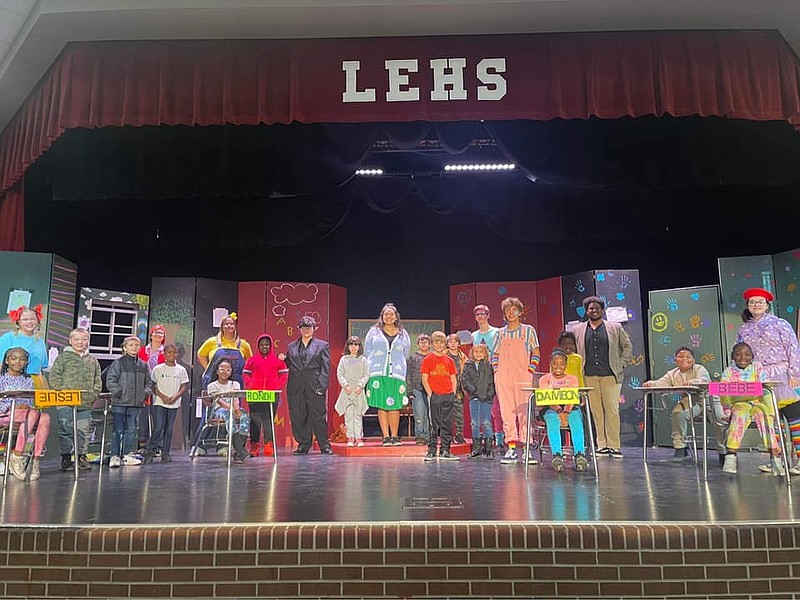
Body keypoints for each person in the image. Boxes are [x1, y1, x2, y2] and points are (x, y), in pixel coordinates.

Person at [736, 287, 800, 476]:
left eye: (760, 302)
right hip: (758, 377)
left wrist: (795, 374)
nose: (756, 305)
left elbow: (793, 348)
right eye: (752, 302)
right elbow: (740, 355)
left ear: (767, 305)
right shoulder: (743, 329)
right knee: (770, 421)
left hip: (782, 374)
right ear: (748, 305)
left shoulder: (780, 324)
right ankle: (777, 460)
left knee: (795, 418)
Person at [572, 296, 633, 459]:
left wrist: (621, 364)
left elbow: (627, 346)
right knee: (596, 412)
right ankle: (602, 445)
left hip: (610, 375)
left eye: (597, 308)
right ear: (587, 311)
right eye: (591, 308)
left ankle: (614, 445)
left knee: (612, 410)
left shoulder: (615, 327)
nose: (594, 310)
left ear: (602, 310)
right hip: (589, 375)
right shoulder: (577, 329)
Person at [643, 347, 724, 462]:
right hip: (691, 399)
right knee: (678, 413)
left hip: (709, 398)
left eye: (688, 357)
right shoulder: (672, 373)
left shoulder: (699, 369)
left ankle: (723, 452)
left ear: (693, 360)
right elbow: (662, 383)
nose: (684, 359)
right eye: (680, 356)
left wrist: (692, 382)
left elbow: (704, 380)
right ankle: (680, 448)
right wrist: (651, 383)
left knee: (719, 419)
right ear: (675, 359)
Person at [491, 297, 541, 465]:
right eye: (507, 310)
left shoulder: (528, 331)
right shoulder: (500, 333)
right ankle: (511, 448)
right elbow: (495, 354)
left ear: (520, 312)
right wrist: (497, 371)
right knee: (507, 412)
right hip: (504, 377)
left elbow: (536, 352)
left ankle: (527, 449)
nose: (511, 313)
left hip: (523, 376)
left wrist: (530, 370)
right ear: (504, 314)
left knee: (524, 412)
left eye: (514, 309)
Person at [720, 342, 783, 476]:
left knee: (764, 416)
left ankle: (774, 457)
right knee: (739, 416)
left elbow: (766, 389)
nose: (743, 357)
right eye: (738, 354)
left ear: (752, 356)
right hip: (739, 403)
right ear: (732, 356)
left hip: (757, 402)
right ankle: (731, 455)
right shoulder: (728, 372)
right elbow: (723, 393)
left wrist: (772, 412)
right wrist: (727, 411)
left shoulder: (757, 368)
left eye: (747, 354)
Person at [48, 328, 102, 472]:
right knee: (65, 429)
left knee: (83, 430)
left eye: (83, 339)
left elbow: (98, 379)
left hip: (85, 402)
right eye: (77, 339)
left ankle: (81, 457)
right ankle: (66, 457)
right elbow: (54, 377)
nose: (80, 342)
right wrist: (63, 392)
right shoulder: (63, 357)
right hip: (65, 402)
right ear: (70, 341)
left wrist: (94, 393)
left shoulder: (92, 359)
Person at [0, 347, 51, 481]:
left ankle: (36, 460)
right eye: (14, 358)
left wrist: (26, 406)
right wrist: (15, 406)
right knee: (32, 414)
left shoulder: (29, 381)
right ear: (7, 361)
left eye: (22, 359)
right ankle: (17, 455)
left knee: (45, 417)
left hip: (27, 414)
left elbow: (31, 401)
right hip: (5, 414)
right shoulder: (1, 379)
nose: (18, 362)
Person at [364, 303, 411, 446]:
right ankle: (385, 436)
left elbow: (405, 353)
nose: (389, 317)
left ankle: (395, 436)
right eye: (386, 314)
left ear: (396, 316)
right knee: (382, 405)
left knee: (395, 405)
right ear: (382, 316)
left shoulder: (403, 334)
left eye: (391, 314)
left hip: (396, 374)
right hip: (378, 373)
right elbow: (367, 351)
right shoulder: (373, 332)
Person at [285, 316, 332, 455]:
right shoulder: (292, 346)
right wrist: (283, 359)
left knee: (318, 415)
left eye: (309, 327)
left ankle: (324, 444)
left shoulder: (323, 345)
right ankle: (303, 444)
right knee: (298, 415)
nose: (306, 330)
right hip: (296, 385)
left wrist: (322, 386)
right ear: (299, 329)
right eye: (303, 327)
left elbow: (326, 368)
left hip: (315, 384)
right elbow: (290, 364)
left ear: (314, 329)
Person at [538, 349, 588, 472]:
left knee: (576, 421)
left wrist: (566, 412)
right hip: (551, 407)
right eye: (555, 363)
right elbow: (547, 399)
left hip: (570, 408)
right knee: (552, 421)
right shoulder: (544, 379)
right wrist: (560, 412)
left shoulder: (572, 379)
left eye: (562, 363)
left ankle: (580, 454)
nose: (558, 366)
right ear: (550, 363)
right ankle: (557, 455)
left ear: (566, 365)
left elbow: (572, 398)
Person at [106, 336, 151, 467]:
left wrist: (145, 394)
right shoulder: (118, 363)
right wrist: (118, 392)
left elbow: (149, 383)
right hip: (119, 402)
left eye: (137, 345)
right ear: (125, 348)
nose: (134, 347)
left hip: (136, 404)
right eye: (131, 345)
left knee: (131, 430)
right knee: (118, 430)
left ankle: (125, 454)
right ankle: (115, 455)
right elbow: (111, 380)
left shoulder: (143, 365)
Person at [242, 333, 288, 457]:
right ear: (258, 346)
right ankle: (254, 445)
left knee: (268, 420)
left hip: (271, 394)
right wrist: (251, 385)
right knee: (255, 420)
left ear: (271, 346)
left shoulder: (278, 361)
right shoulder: (252, 360)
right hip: (255, 394)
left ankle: (268, 444)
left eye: (267, 345)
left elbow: (284, 374)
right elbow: (246, 374)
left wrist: (277, 386)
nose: (264, 347)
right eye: (262, 345)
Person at [143, 343, 189, 464]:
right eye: (169, 352)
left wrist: (175, 396)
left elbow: (184, 385)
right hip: (159, 402)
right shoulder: (158, 369)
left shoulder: (181, 369)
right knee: (158, 426)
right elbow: (153, 385)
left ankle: (166, 453)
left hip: (174, 403)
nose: (172, 355)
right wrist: (163, 397)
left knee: (169, 429)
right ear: (164, 354)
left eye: (174, 352)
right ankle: (150, 452)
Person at [421, 331, 459, 461]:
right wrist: (430, 393)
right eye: (436, 342)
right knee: (434, 424)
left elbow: (453, 378)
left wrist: (453, 393)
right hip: (435, 395)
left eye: (441, 342)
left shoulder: (449, 361)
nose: (438, 345)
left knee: (447, 424)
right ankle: (431, 450)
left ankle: (445, 450)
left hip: (448, 395)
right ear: (432, 344)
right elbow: (424, 378)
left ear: (445, 344)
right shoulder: (427, 359)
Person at [207, 358, 251, 463]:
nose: (224, 371)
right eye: (222, 369)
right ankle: (240, 450)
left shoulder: (235, 384)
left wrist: (236, 409)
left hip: (233, 408)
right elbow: (220, 401)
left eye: (228, 369)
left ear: (231, 372)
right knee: (228, 415)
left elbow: (236, 398)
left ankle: (239, 451)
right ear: (217, 371)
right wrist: (232, 410)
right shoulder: (212, 385)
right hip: (218, 411)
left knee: (245, 415)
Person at [472, 304, 503, 450]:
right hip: (481, 374)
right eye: (478, 314)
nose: (481, 317)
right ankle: (484, 438)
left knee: (496, 407)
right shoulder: (474, 335)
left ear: (488, 315)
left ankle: (499, 438)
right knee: (481, 407)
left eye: (483, 314)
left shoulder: (497, 332)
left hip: (495, 371)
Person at [197, 313, 253, 389]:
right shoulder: (211, 342)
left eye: (231, 324)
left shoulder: (244, 345)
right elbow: (201, 354)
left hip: (235, 383)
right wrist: (209, 369)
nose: (229, 326)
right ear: (222, 327)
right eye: (226, 324)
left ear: (235, 326)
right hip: (214, 381)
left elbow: (250, 361)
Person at [461, 343, 495, 459]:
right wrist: (473, 391)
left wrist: (489, 394)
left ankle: (489, 449)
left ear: (485, 354)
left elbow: (492, 382)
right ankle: (476, 449)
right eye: (476, 352)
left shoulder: (489, 366)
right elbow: (464, 380)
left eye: (481, 352)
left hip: (486, 398)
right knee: (475, 423)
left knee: (486, 422)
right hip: (474, 397)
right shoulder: (468, 365)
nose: (478, 354)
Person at [0, 305, 48, 386]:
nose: (29, 322)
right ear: (18, 321)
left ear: (37, 321)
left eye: (32, 319)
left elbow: (40, 368)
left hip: (36, 382)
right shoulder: (7, 338)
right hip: (11, 382)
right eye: (25, 319)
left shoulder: (40, 341)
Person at [334, 336, 369, 447]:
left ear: (359, 347)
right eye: (351, 345)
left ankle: (358, 438)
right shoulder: (344, 359)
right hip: (347, 390)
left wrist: (360, 385)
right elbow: (340, 374)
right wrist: (346, 386)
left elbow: (366, 374)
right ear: (348, 346)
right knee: (348, 414)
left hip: (358, 390)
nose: (353, 347)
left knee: (358, 414)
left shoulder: (363, 359)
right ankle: (350, 437)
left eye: (356, 345)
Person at [406, 333, 432, 445]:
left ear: (430, 344)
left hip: (431, 388)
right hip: (417, 388)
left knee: (429, 414)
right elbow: (408, 374)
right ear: (418, 344)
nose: (424, 344)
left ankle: (428, 435)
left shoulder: (432, 357)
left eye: (426, 342)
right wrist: (409, 389)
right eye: (421, 342)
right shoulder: (412, 358)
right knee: (419, 414)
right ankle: (420, 436)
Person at [446, 333, 468, 444]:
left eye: (455, 342)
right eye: (450, 342)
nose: (453, 344)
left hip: (459, 389)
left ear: (459, 344)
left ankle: (459, 434)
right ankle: (447, 436)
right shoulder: (444, 355)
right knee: (446, 414)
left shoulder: (463, 357)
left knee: (459, 413)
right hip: (446, 388)